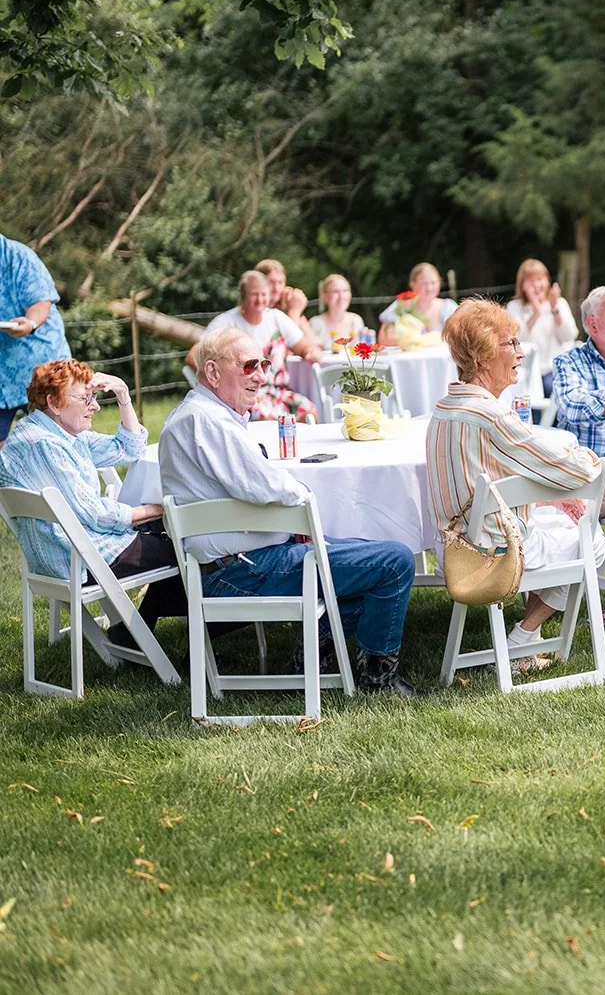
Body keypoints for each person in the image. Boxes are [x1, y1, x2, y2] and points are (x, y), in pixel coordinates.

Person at [160, 328, 418, 695]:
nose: (260, 376)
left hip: (232, 563)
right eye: (249, 366)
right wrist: (301, 501)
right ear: (213, 372)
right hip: (241, 571)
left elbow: (252, 487)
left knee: (366, 556)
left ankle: (314, 659)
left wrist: (290, 520)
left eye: (263, 365)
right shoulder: (208, 421)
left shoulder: (200, 415)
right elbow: (266, 486)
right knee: (394, 561)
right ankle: (379, 680)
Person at [428, 300, 605, 666]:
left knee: (560, 519)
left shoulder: (444, 408)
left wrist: (550, 500)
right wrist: (590, 459)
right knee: (593, 540)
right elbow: (573, 471)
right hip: (497, 550)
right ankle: (523, 637)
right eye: (510, 343)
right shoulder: (491, 415)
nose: (521, 353)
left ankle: (529, 644)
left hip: (457, 544)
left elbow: (491, 479)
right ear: (482, 357)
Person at [0, 361, 185, 636]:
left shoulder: (56, 433)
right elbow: (97, 515)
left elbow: (130, 448)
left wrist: (123, 394)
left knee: (173, 533)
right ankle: (186, 632)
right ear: (54, 402)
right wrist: (158, 509)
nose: (95, 406)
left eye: (94, 397)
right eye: (85, 398)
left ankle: (133, 632)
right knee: (187, 543)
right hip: (80, 560)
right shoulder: (44, 445)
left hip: (71, 552)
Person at [551, 284, 605, 625]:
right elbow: (572, 407)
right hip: (585, 478)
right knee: (555, 528)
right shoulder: (569, 361)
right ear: (592, 324)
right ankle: (551, 600)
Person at [197, 269, 321, 423]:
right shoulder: (226, 322)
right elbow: (195, 356)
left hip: (278, 393)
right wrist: (219, 383)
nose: (260, 299)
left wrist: (309, 352)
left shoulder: (276, 318)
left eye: (264, 294)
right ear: (243, 297)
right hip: (243, 395)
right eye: (254, 294)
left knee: (309, 411)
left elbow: (304, 347)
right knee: (268, 418)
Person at [0, 233, 71, 444]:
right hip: (2, 376)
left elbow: (40, 303)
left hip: (42, 367)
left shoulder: (19, 257)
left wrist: (30, 323)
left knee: (57, 439)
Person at [505, 258, 578, 396]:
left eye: (540, 279)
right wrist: (536, 313)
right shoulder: (514, 307)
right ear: (522, 284)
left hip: (554, 370)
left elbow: (569, 336)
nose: (536, 285)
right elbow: (515, 341)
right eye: (531, 281)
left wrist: (554, 309)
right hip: (525, 371)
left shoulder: (559, 303)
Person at [378, 262, 458, 343]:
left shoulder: (448, 307)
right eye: (424, 283)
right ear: (413, 284)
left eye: (433, 282)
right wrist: (416, 341)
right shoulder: (401, 306)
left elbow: (460, 336)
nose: (429, 288)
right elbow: (384, 338)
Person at [307, 273, 365, 350]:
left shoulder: (356, 321)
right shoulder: (315, 323)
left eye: (345, 291)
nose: (341, 296)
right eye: (336, 291)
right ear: (325, 296)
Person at [258, 258, 313, 338]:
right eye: (271, 282)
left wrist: (297, 310)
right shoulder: (256, 311)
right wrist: (294, 312)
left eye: (280, 282)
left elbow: (312, 342)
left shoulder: (287, 306)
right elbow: (286, 341)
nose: (276, 288)